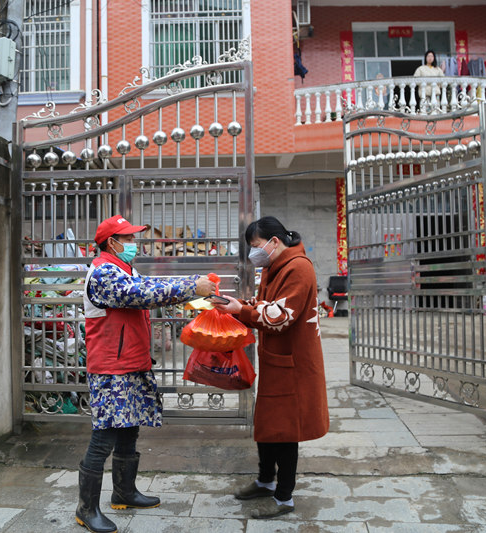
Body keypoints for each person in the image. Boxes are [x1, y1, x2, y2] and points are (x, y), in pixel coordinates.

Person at [75, 214, 217, 533]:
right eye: (128, 238)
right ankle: (86, 508)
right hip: (111, 366)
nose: (133, 243)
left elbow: (146, 287)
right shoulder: (103, 272)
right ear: (112, 243)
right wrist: (191, 285)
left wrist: (195, 296)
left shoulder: (125, 268)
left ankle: (124, 492)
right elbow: (142, 294)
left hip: (132, 361)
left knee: (129, 427)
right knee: (106, 434)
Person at [213, 216, 329, 519]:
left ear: (273, 242)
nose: (255, 253)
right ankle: (265, 481)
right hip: (277, 362)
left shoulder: (299, 268)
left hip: (294, 364)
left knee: (286, 430)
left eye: (256, 246)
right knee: (267, 426)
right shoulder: (274, 267)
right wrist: (236, 304)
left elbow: (279, 316)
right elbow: (261, 301)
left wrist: (243, 310)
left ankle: (284, 498)